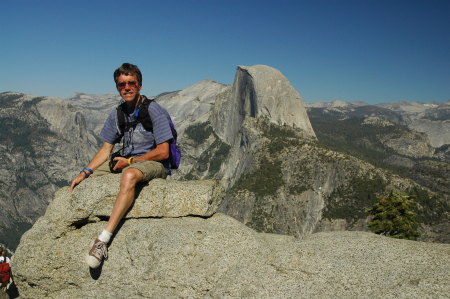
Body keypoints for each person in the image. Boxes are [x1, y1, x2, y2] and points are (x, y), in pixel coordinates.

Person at [70, 63, 173, 269]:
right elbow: (106, 149)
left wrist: (130, 162)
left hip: (154, 164)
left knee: (129, 176)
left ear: (139, 85)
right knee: (85, 180)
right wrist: (85, 172)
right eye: (121, 84)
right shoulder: (118, 113)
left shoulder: (154, 110)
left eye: (131, 83)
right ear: (118, 87)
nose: (126, 87)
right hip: (126, 158)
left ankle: (103, 240)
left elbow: (164, 151)